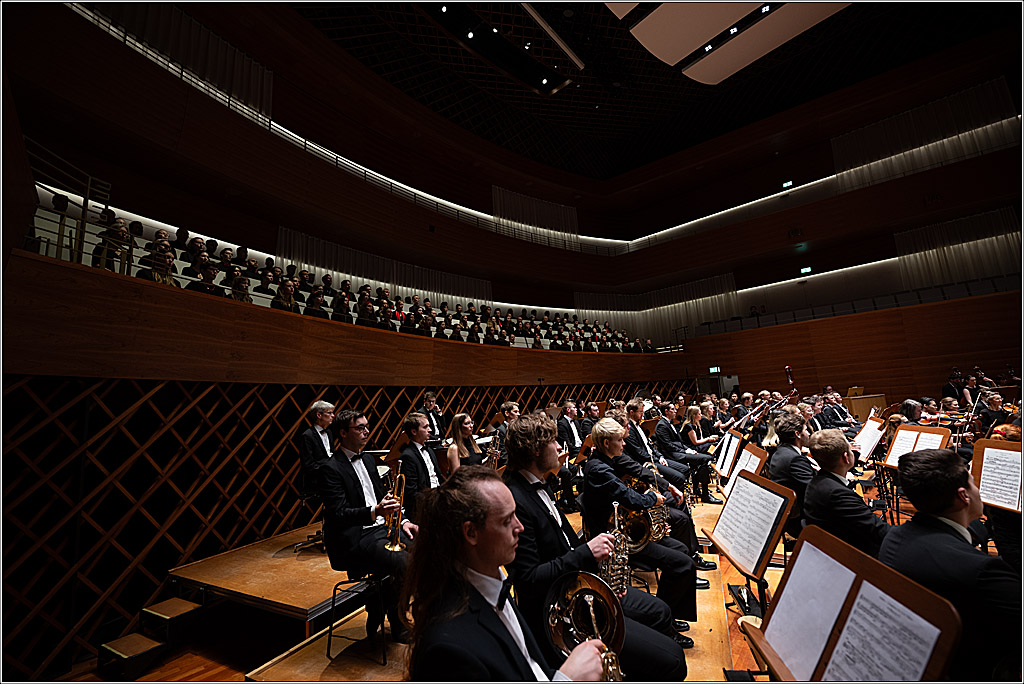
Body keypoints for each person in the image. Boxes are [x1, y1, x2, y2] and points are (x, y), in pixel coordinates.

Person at [503, 413, 690, 677]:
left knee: (661, 612)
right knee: (672, 661)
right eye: (553, 441)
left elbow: (565, 545)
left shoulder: (539, 484)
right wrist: (587, 552)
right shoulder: (516, 499)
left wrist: (599, 572)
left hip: (577, 585)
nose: (560, 447)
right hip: (560, 612)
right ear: (534, 450)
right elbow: (529, 579)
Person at [401, 466, 605, 681]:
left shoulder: (492, 579)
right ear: (471, 532)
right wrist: (568, 678)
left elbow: (529, 667)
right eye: (507, 520)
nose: (520, 527)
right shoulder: (447, 650)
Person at [878, 449, 1021, 681]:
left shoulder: (893, 539)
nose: (979, 490)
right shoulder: (983, 572)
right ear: (963, 496)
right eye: (975, 483)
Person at [582, 418, 703, 625]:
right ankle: (665, 620)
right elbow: (630, 498)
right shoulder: (598, 469)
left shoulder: (606, 461)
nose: (624, 444)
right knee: (682, 564)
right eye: (620, 440)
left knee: (682, 550)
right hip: (617, 543)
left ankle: (667, 613)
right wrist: (652, 499)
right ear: (605, 443)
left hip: (626, 531)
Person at [318, 410, 416, 643]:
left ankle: (376, 599)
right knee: (404, 562)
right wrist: (375, 512)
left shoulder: (369, 460)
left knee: (424, 549)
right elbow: (339, 514)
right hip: (353, 538)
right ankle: (398, 621)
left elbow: (381, 495)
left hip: (381, 529)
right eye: (359, 428)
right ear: (342, 433)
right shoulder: (330, 468)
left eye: (367, 426)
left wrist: (404, 521)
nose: (366, 432)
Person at [803, 429, 890, 557]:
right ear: (845, 457)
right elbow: (877, 530)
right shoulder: (837, 494)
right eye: (850, 450)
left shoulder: (817, 481)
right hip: (852, 556)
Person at [656, 404, 718, 504]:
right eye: (672, 409)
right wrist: (685, 451)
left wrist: (688, 449)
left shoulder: (668, 423)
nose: (676, 411)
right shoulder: (662, 425)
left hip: (678, 451)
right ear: (666, 411)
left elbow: (679, 442)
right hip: (672, 455)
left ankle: (698, 490)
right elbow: (668, 445)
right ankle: (705, 495)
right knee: (706, 458)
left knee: (703, 461)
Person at [766, 412, 814, 537]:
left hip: (789, 516)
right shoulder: (794, 459)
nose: (808, 433)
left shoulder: (780, 452)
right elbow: (815, 490)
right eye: (805, 430)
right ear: (797, 434)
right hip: (802, 521)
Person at [400, 413, 443, 524]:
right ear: (414, 431)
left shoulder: (430, 451)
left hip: (438, 498)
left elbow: (439, 477)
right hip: (424, 506)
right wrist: (436, 498)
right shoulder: (408, 456)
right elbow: (411, 494)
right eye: (425, 427)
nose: (430, 430)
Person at [299, 400, 335, 475]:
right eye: (329, 413)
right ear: (319, 415)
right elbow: (308, 464)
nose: (333, 415)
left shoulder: (329, 432)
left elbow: (332, 453)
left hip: (333, 475)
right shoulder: (307, 435)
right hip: (319, 478)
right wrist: (328, 471)